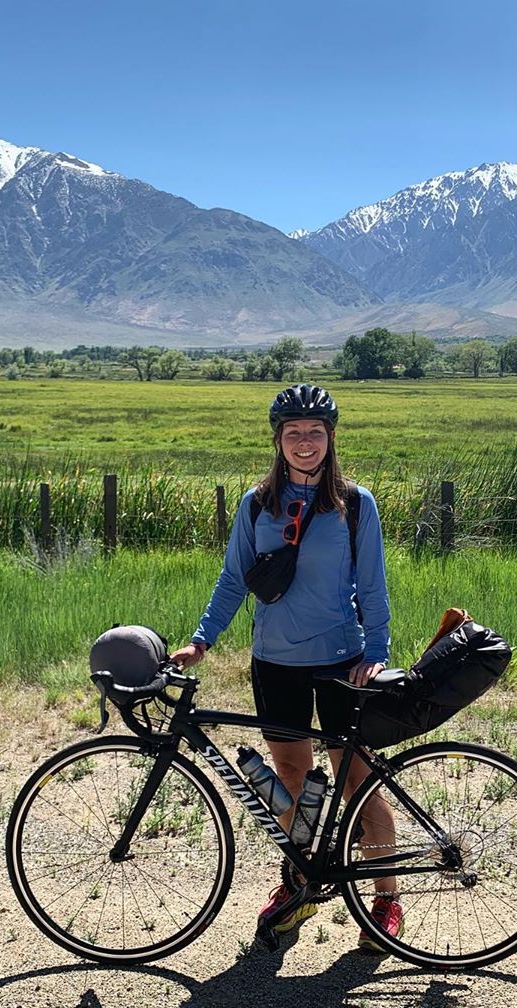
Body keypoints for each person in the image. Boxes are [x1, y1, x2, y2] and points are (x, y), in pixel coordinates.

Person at [170, 383, 402, 951]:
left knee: (357, 781)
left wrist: (376, 654)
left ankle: (386, 900)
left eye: (315, 432)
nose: (305, 442)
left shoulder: (355, 504)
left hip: (342, 663)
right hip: (275, 663)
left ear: (331, 438)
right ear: (278, 440)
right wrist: (201, 641)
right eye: (293, 433)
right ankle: (299, 885)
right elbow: (233, 580)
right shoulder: (256, 504)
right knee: (293, 779)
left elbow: (372, 584)